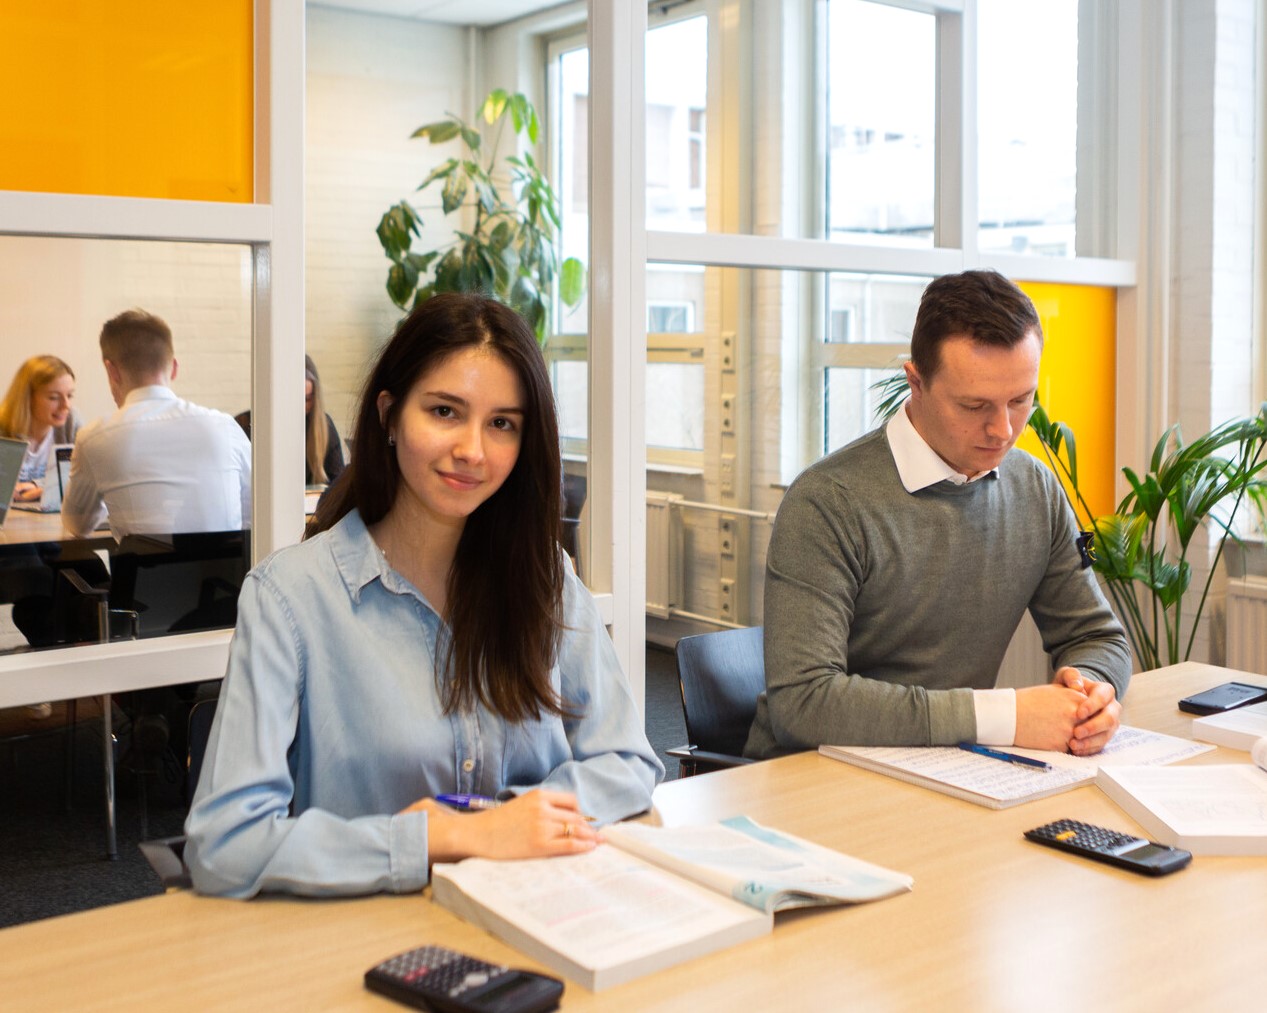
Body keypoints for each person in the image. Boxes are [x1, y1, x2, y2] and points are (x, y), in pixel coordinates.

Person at [185, 293, 663, 898]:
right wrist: (443, 838)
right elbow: (226, 844)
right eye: (444, 411)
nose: (473, 450)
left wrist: (515, 818)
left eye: (502, 424)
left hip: (536, 912)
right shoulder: (291, 599)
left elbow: (627, 764)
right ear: (389, 416)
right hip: (360, 942)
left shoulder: (545, 580)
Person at [745, 270, 1131, 760]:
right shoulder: (827, 502)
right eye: (974, 405)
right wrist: (1006, 716)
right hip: (807, 777)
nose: (1002, 429)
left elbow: (1096, 636)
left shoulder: (1034, 487)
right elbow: (803, 704)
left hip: (948, 767)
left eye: (1021, 400)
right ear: (916, 383)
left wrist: (1090, 695)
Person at [61, 309, 252, 539]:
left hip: (143, 574)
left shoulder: (94, 438)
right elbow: (253, 512)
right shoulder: (225, 426)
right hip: (228, 574)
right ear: (174, 367)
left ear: (111, 371)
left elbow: (77, 525)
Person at [233, 353, 346, 486]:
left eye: (307, 399)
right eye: (292, 398)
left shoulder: (324, 426)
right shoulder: (247, 424)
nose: (299, 407)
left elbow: (338, 484)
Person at [0, 355, 80, 502]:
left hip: (48, 518)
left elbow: (85, 477)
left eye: (70, 395)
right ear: (27, 398)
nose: (66, 405)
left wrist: (35, 485)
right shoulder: (3, 428)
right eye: (54, 397)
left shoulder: (71, 423)